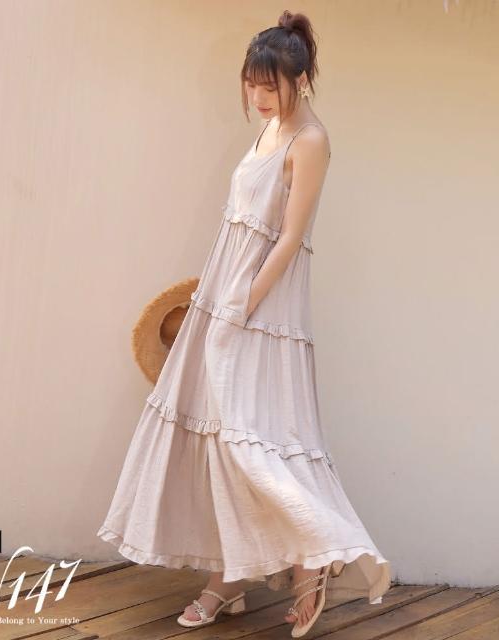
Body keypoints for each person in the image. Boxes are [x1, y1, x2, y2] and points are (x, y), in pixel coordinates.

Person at [97, 9, 391, 637]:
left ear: (301, 79)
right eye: (252, 84)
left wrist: (241, 306)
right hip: (225, 297)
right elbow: (240, 227)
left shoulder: (310, 140)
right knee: (218, 439)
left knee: (248, 440)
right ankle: (228, 580)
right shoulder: (270, 129)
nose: (258, 97)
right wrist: (215, 298)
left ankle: (316, 555)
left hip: (262, 307)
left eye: (270, 86)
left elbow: (290, 239)